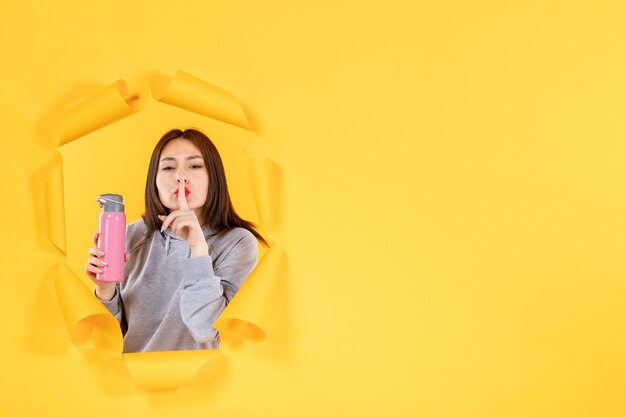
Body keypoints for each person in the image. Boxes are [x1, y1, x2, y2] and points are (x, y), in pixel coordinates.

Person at [85, 128, 266, 352]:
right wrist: (105, 290)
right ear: (155, 182)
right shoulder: (130, 236)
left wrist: (198, 248)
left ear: (214, 177)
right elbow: (107, 343)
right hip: (130, 382)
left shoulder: (237, 243)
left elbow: (208, 331)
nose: (180, 176)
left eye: (195, 166)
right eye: (169, 167)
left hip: (204, 383)